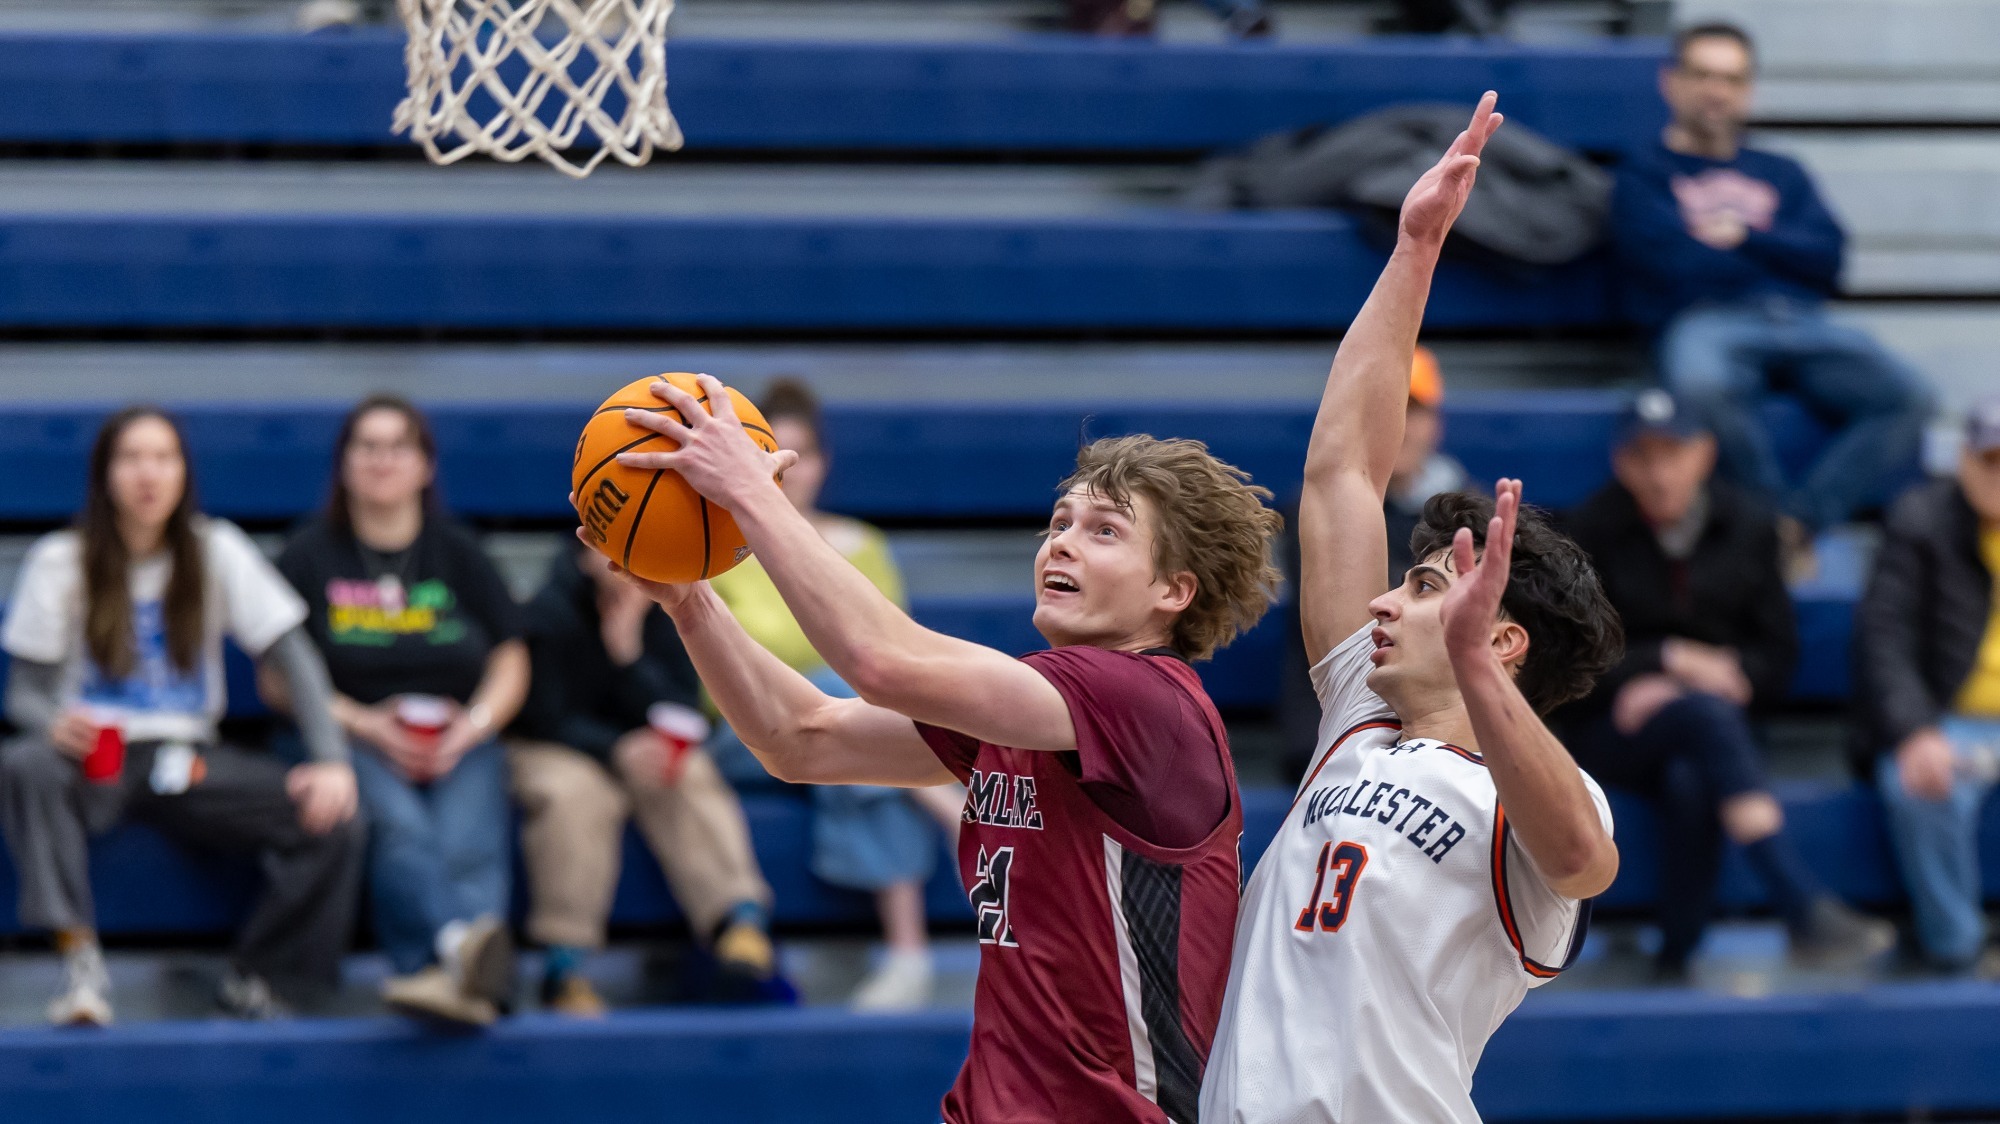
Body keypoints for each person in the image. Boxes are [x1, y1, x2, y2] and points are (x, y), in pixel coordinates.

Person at [603, 385, 1283, 1121]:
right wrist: (690, 599)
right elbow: (801, 739)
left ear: (1173, 591)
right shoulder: (1036, 711)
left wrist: (749, 494)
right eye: (1060, 522)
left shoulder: (1146, 703)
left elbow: (880, 662)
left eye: (1105, 531)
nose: (1061, 541)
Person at [1202, 94, 1625, 1124]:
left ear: (1503, 638)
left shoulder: (1531, 803)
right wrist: (1415, 247)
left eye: (1424, 586)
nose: (1385, 597)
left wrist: (1471, 668)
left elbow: (1583, 860)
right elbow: (1342, 470)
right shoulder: (1357, 714)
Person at [0, 406, 363, 1025]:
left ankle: (260, 976)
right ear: (105, 474)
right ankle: (79, 963)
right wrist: (50, 724)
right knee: (25, 761)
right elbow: (22, 694)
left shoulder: (215, 548)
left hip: (185, 757)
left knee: (334, 821)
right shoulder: (63, 558)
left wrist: (331, 759)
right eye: (132, 458)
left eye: (163, 458)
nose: (149, 474)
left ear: (183, 472)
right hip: (96, 754)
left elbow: (293, 657)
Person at [1563, 388, 1892, 977]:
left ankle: (1676, 955)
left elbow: (1777, 659)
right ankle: (1799, 905)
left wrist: (1729, 680)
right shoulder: (1590, 532)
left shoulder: (1749, 525)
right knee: (1703, 721)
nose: (1660, 472)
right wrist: (1668, 660)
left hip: (1716, 728)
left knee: (1693, 775)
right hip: (1612, 733)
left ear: (1706, 454)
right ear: (1621, 463)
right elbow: (1571, 663)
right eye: (1644, 456)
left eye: (1674, 452)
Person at [267, 395, 529, 1027]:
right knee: (401, 826)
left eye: (398, 447)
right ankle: (460, 959)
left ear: (426, 466)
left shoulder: (459, 552)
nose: (382, 461)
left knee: (467, 838)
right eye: (367, 446)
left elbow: (512, 658)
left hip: (456, 734)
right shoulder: (308, 554)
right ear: (343, 463)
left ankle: (444, 978)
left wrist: (472, 728)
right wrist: (364, 724)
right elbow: (277, 680)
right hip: (345, 735)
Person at [1609, 22, 1931, 535]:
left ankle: (1798, 525)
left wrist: (1742, 238)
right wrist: (1778, 251)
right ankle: (1768, 525)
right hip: (1706, 322)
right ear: (1671, 82)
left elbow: (1830, 260)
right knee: (1699, 383)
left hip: (1802, 323)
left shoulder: (1784, 171)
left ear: (1749, 90)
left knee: (1909, 394)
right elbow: (1668, 265)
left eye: (1733, 79)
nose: (1718, 91)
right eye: (1704, 75)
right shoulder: (1643, 174)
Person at [706, 379, 962, 1011]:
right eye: (776, 452)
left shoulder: (863, 544)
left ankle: (906, 959)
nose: (791, 471)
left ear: (821, 464)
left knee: (864, 731)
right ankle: (952, 810)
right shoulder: (719, 547)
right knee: (843, 700)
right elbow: (752, 661)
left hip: (845, 730)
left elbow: (898, 658)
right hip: (744, 728)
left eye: (804, 455)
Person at [508, 540, 777, 1015]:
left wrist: (628, 652)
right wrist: (615, 748)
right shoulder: (548, 611)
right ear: (586, 551)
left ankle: (739, 923)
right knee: (577, 797)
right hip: (556, 746)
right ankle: (564, 967)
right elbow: (543, 715)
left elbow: (683, 706)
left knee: (687, 772)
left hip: (634, 740)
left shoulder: (671, 608)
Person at [1855, 396, 2000, 975]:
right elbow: (1883, 642)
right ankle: (1956, 949)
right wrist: (1915, 731)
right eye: (1991, 460)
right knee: (1918, 784)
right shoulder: (1919, 521)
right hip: (1950, 721)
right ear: (1964, 460)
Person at [1385, 345, 1470, 586]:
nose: (1399, 427)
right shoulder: (1323, 511)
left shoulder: (1476, 516)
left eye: (1411, 411)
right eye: (1386, 411)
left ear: (1436, 423)